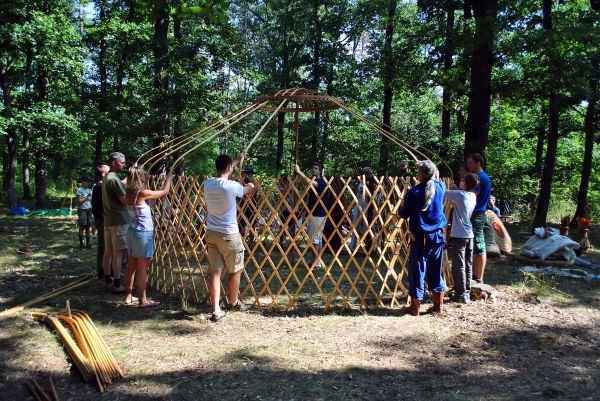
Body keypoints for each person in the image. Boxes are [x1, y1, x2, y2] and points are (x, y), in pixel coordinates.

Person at [205, 153, 255, 322]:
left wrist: (237, 160)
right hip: (228, 234)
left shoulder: (208, 183)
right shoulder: (231, 186)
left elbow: (226, 169)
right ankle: (233, 302)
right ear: (229, 169)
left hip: (211, 233)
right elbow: (247, 191)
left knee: (216, 272)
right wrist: (250, 185)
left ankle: (216, 310)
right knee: (236, 269)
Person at [398, 160, 447, 316]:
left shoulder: (415, 192)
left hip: (421, 238)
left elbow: (403, 214)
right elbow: (435, 174)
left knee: (418, 270)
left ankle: (415, 307)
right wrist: (424, 164)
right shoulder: (441, 187)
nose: (417, 175)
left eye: (419, 172)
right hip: (438, 237)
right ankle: (438, 307)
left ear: (423, 174)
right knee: (436, 270)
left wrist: (403, 206)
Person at [122, 166, 173, 307]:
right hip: (142, 234)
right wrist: (169, 178)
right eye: (144, 175)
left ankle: (128, 296)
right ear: (140, 177)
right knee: (142, 268)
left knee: (131, 266)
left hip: (132, 232)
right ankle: (143, 300)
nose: (147, 177)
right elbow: (165, 192)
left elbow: (145, 206)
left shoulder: (129, 193)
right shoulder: (142, 193)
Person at [446, 173, 479, 304]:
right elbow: (458, 197)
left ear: (465, 183)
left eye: (462, 180)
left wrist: (437, 179)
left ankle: (460, 294)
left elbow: (444, 192)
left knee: (458, 265)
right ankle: (466, 292)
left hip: (459, 235)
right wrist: (456, 188)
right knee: (468, 264)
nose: (460, 181)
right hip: (469, 235)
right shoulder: (472, 196)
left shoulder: (459, 195)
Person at [102, 152, 129, 293]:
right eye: (122, 162)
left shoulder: (108, 177)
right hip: (119, 220)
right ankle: (118, 284)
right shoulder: (114, 179)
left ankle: (108, 279)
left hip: (108, 220)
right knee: (118, 253)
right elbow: (124, 201)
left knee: (108, 252)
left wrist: (128, 178)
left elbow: (119, 185)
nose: (124, 164)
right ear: (114, 163)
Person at [295, 162, 327, 269]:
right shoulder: (314, 181)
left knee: (314, 239)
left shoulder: (321, 182)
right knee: (318, 239)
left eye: (316, 168)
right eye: (312, 168)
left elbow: (308, 182)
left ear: (319, 170)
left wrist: (299, 172)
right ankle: (317, 261)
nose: (313, 170)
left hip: (318, 214)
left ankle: (316, 262)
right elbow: (306, 181)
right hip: (314, 213)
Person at [466, 153, 492, 283]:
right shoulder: (483, 177)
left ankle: (479, 278)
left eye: (470, 163)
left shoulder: (480, 178)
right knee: (475, 245)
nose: (468, 166)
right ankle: (476, 276)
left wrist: (460, 192)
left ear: (478, 163)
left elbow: (472, 196)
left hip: (477, 214)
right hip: (476, 214)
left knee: (479, 244)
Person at [349, 166, 375, 253]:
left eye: (367, 173)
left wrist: (365, 185)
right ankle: (352, 248)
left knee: (365, 227)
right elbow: (354, 193)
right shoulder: (359, 183)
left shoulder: (371, 183)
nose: (365, 174)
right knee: (354, 226)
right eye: (364, 172)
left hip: (367, 207)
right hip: (358, 205)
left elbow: (371, 195)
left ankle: (369, 248)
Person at [92, 165, 110, 279]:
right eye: (109, 172)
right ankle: (102, 273)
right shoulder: (100, 186)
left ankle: (105, 272)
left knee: (106, 246)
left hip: (102, 218)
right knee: (104, 247)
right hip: (102, 219)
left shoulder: (100, 186)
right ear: (103, 174)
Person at [239, 164, 259, 244]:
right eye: (247, 173)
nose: (248, 174)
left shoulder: (254, 181)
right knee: (241, 224)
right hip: (243, 205)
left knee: (252, 223)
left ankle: (251, 242)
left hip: (252, 205)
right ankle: (241, 241)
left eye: (250, 173)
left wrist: (251, 179)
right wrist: (243, 177)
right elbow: (239, 187)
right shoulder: (242, 181)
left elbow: (255, 188)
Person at [76, 176, 93, 249]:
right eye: (87, 181)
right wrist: (87, 197)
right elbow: (79, 201)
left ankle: (88, 244)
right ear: (83, 181)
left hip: (89, 209)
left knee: (88, 227)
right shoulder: (79, 190)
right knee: (82, 227)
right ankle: (81, 244)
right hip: (82, 210)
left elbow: (91, 200)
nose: (88, 183)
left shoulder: (90, 190)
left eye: (89, 182)